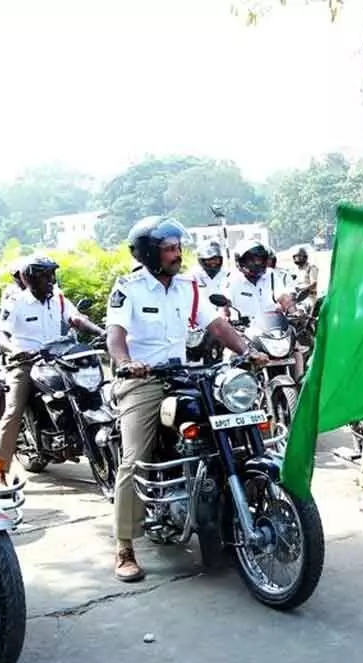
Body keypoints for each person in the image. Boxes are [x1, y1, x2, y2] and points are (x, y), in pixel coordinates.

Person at [105, 216, 260, 582]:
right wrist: (127, 364)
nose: (177, 255)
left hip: (185, 375)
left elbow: (216, 325)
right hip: (143, 380)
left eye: (178, 248)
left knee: (233, 416)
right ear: (149, 254)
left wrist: (248, 349)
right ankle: (124, 545)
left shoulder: (188, 285)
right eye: (169, 249)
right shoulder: (129, 288)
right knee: (134, 459)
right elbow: (115, 335)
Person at [0, 255, 104, 486]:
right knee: (12, 411)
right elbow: (1, 334)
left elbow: (77, 319)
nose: (51, 279)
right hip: (26, 362)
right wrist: (15, 350)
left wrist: (102, 333)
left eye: (52, 274)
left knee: (92, 391)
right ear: (30, 279)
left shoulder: (59, 299)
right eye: (45, 275)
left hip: (59, 359)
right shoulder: (16, 302)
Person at [224, 238, 296, 322]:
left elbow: (283, 297)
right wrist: (225, 316)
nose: (258, 263)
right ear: (241, 260)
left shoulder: (270, 274)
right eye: (252, 260)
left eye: (260, 260)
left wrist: (294, 311)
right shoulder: (233, 279)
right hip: (245, 330)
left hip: (272, 328)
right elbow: (224, 304)